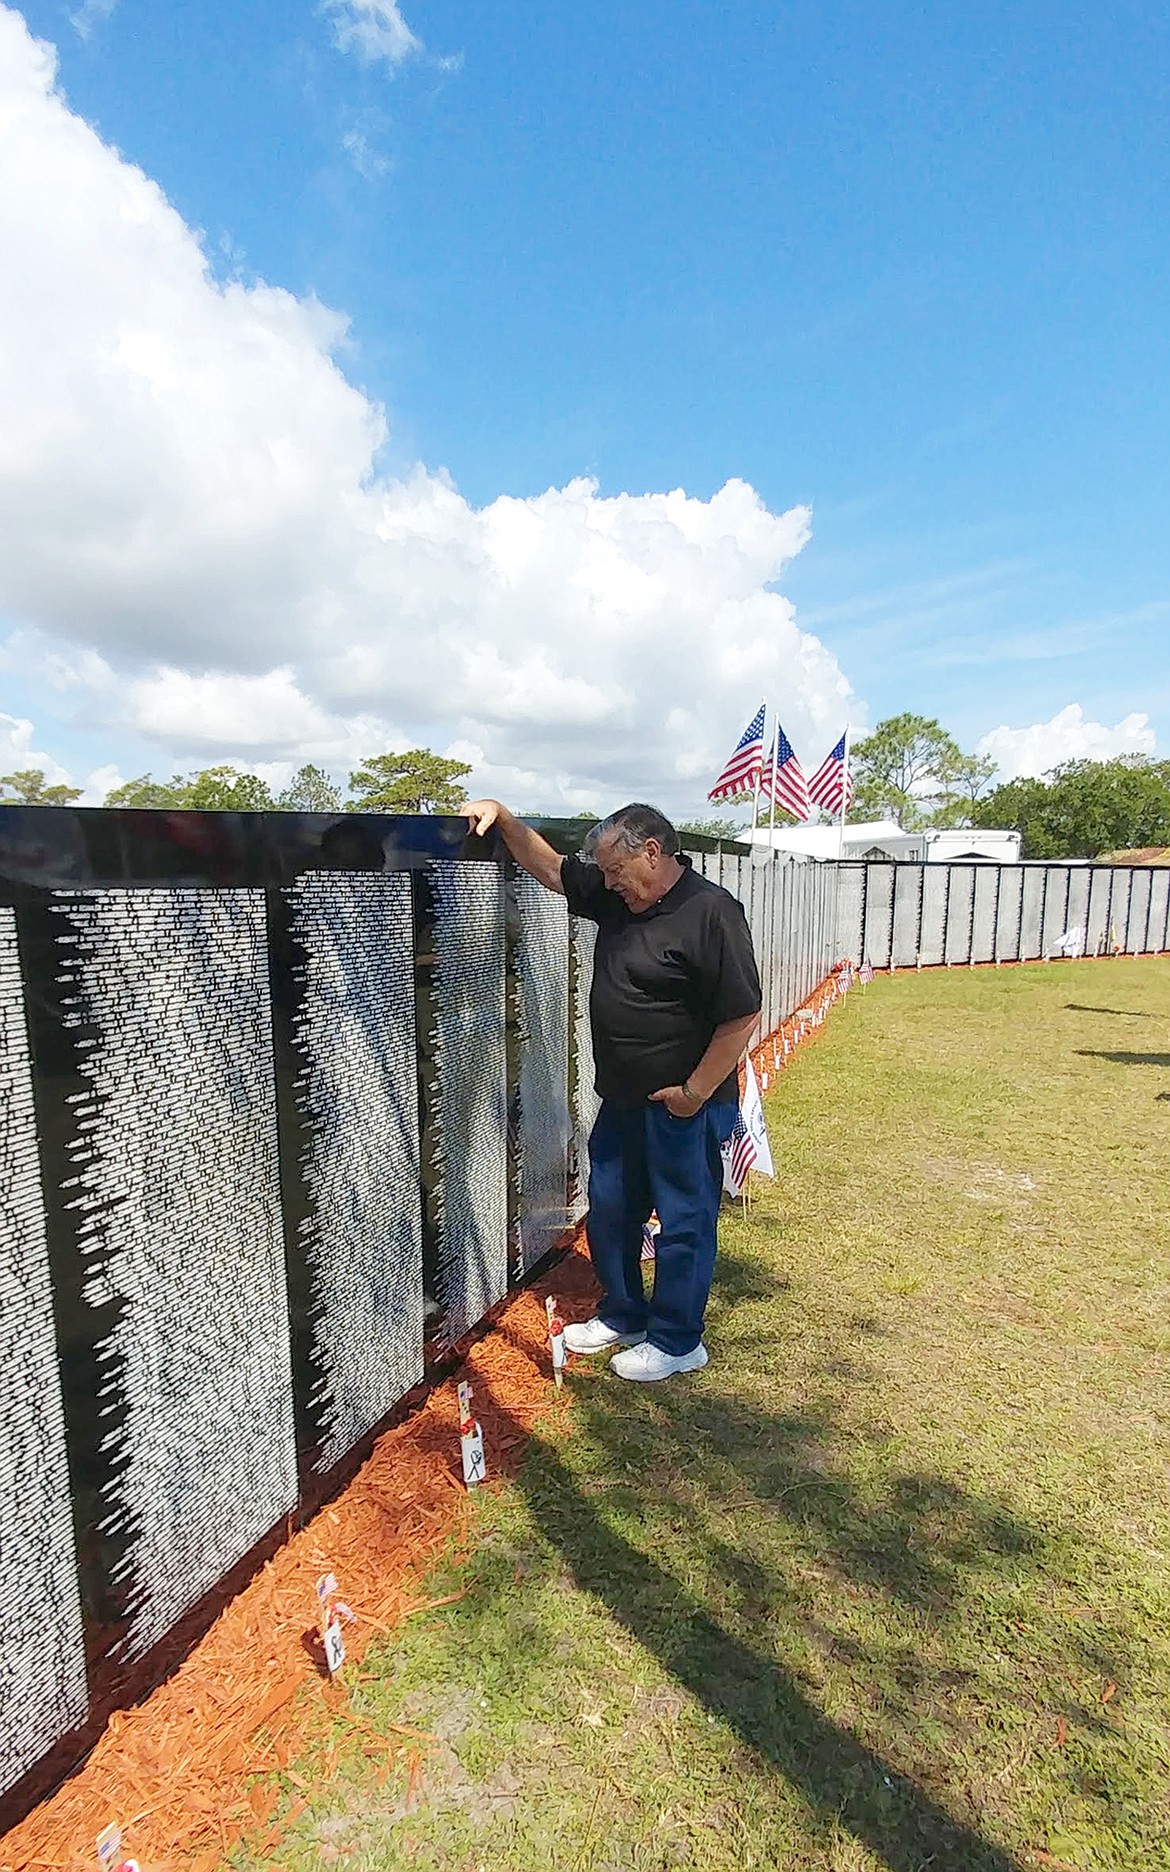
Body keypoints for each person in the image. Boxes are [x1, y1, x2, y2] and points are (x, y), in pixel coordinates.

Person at [462, 799, 761, 1381]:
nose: (609, 882)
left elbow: (741, 1017)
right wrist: (503, 817)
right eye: (603, 872)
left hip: (683, 1105)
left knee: (684, 1221)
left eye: (616, 870)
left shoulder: (712, 913)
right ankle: (625, 1312)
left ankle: (677, 1340)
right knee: (613, 1208)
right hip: (622, 1099)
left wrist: (694, 1094)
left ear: (652, 851)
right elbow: (551, 870)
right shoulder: (619, 893)